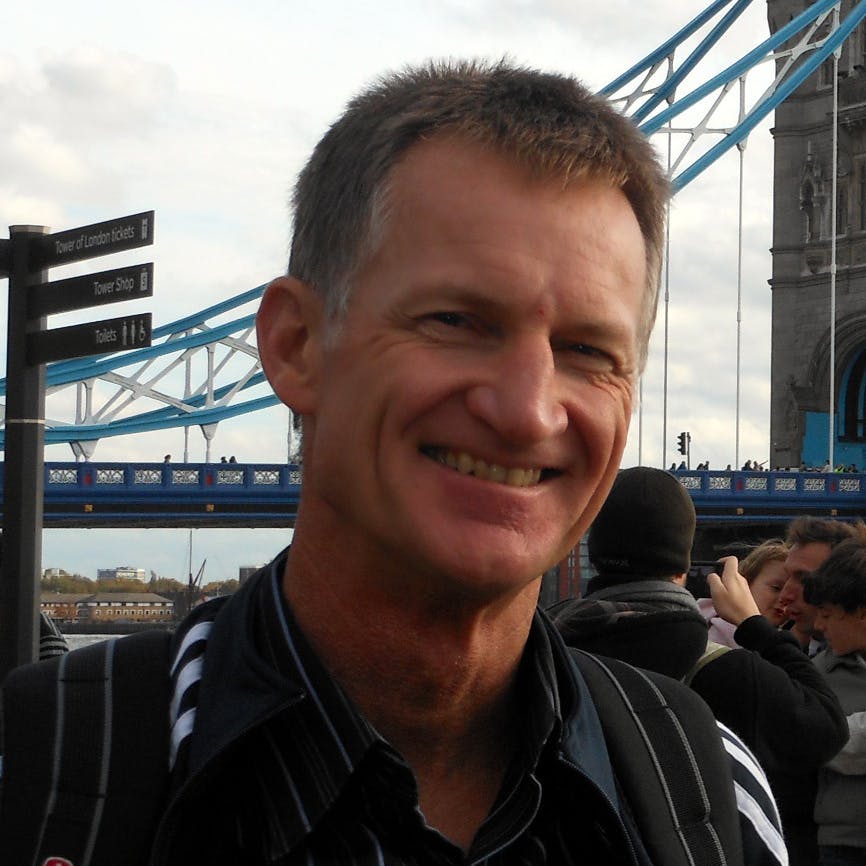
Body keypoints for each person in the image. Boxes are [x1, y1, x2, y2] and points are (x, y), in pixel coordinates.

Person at [3, 61, 779, 866]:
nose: (528, 412)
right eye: (455, 321)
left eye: (588, 350)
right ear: (296, 345)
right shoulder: (32, 778)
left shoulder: (711, 795)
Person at [552, 467, 846, 866]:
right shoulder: (719, 668)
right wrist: (752, 624)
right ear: (683, 567)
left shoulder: (547, 654)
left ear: (595, 553)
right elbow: (826, 727)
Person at [802, 533, 866, 866]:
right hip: (842, 845)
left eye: (827, 614)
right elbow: (807, 739)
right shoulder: (818, 674)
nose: (819, 625)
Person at [699, 539, 789, 647]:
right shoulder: (716, 628)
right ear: (745, 582)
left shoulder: (788, 642)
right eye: (776, 588)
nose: (785, 598)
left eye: (794, 593)